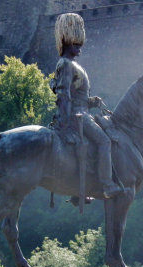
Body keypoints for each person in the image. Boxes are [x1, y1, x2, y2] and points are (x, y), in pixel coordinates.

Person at [52, 13, 123, 199]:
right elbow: (64, 95)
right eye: (76, 44)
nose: (79, 48)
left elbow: (77, 96)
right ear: (67, 43)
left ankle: (83, 186)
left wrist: (92, 101)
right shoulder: (66, 64)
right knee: (104, 141)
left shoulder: (74, 65)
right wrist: (66, 125)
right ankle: (107, 185)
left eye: (80, 44)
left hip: (82, 111)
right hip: (77, 117)